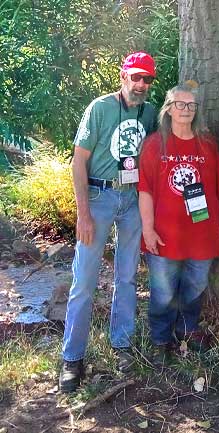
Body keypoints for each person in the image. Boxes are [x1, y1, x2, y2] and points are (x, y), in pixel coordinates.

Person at [60, 52, 158, 393]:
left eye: (147, 79)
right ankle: (73, 357)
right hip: (100, 198)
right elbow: (78, 162)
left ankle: (121, 346)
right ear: (123, 76)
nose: (141, 84)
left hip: (132, 199)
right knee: (84, 280)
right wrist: (83, 213)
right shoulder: (99, 108)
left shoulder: (150, 113)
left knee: (127, 277)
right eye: (136, 77)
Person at [138, 82, 219, 364]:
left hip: (202, 231)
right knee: (163, 292)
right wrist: (148, 228)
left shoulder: (208, 144)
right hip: (165, 233)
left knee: (195, 286)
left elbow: (218, 190)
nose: (186, 109)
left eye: (191, 105)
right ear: (169, 109)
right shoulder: (154, 144)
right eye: (180, 104)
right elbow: (145, 191)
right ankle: (160, 339)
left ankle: (187, 330)